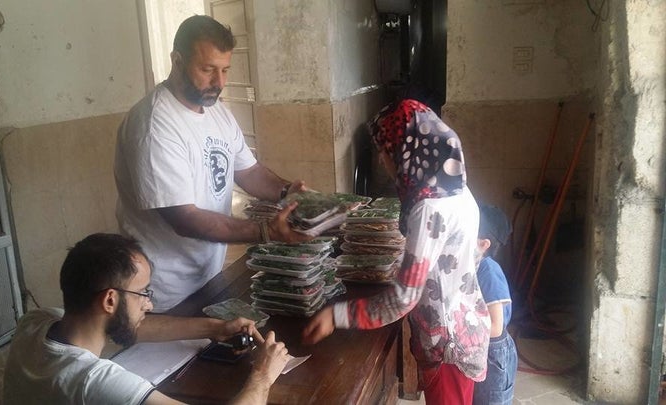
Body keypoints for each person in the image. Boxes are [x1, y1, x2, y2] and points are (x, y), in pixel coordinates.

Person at [114, 15, 311, 312]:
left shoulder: (216, 112)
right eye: (207, 69)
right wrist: (265, 231)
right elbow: (184, 218)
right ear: (177, 61)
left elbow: (250, 171)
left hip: (209, 276)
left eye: (225, 70)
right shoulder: (154, 125)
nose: (219, 82)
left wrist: (290, 194)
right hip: (163, 293)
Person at [303, 99, 491, 404]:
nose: (381, 159)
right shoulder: (455, 187)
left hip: (447, 346)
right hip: (463, 327)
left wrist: (336, 315)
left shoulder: (429, 209)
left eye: (385, 148)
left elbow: (403, 298)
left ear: (407, 149)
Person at [3, 233, 290, 405]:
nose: (149, 304)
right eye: (142, 292)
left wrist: (214, 327)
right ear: (110, 300)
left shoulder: (37, 322)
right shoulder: (92, 381)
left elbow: (135, 329)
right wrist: (263, 373)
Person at [473, 204, 518, 405]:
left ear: (484, 244)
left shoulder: (488, 270)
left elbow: (496, 327)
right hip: (481, 347)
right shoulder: (472, 265)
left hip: (494, 352)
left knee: (490, 400)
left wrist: (461, 333)